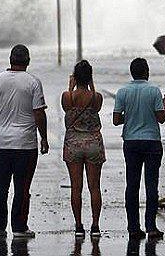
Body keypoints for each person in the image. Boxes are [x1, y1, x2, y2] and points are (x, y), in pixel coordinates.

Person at [0, 44, 48, 239]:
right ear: (28, 61)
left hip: (1, 143)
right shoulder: (33, 82)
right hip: (26, 145)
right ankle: (19, 227)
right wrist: (43, 137)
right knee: (22, 187)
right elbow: (39, 113)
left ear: (10, 60)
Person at [113, 58, 165, 240]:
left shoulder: (123, 92)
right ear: (146, 72)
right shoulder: (153, 90)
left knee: (132, 185)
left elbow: (116, 120)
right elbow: (161, 118)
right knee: (151, 185)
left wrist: (130, 117)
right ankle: (151, 227)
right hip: (152, 142)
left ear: (132, 72)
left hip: (131, 142)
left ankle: (133, 228)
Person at [61, 60, 105, 238]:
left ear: (75, 77)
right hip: (94, 143)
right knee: (94, 187)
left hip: (73, 145)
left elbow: (67, 108)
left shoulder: (67, 96)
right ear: (90, 77)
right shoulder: (96, 97)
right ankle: (95, 226)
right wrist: (92, 85)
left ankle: (78, 226)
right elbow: (97, 106)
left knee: (76, 187)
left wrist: (70, 88)